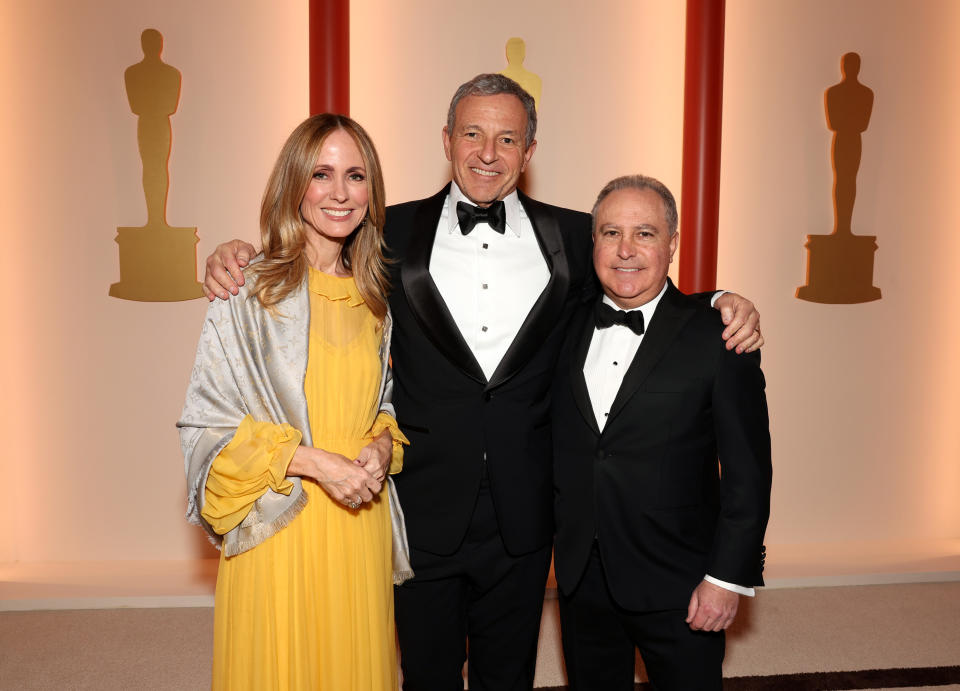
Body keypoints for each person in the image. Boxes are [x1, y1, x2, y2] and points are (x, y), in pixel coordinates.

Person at [202, 75, 763, 691]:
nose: (488, 152)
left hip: (526, 517)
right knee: (426, 675)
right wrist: (234, 253)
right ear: (446, 140)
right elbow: (311, 246)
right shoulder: (388, 234)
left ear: (529, 151)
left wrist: (721, 302)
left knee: (509, 677)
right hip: (420, 504)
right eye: (472, 133)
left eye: (506, 138)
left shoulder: (578, 237)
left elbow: (642, 280)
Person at [178, 113, 412, 691]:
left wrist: (382, 445)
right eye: (321, 173)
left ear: (371, 190)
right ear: (294, 185)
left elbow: (384, 402)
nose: (339, 193)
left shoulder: (377, 295)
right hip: (279, 521)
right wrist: (314, 462)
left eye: (355, 176)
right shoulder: (246, 289)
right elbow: (207, 427)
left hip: (358, 522)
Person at [551, 175, 772, 691]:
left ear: (672, 244)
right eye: (611, 233)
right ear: (594, 244)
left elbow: (748, 474)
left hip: (682, 583)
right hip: (583, 575)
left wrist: (725, 579)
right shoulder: (565, 322)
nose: (626, 250)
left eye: (645, 234)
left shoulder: (719, 338)